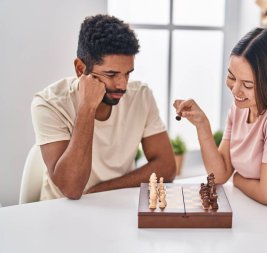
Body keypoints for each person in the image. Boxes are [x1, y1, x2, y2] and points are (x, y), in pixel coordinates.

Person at [173, 27, 267, 221]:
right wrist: (202, 125)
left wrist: (238, 179)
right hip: (259, 217)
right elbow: (219, 174)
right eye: (232, 77)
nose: (236, 90)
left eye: (248, 85)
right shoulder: (240, 109)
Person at [31, 14, 176, 201]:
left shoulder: (140, 95)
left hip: (115, 205)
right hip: (60, 211)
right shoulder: (49, 104)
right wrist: (87, 108)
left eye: (127, 73)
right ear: (80, 69)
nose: (122, 85)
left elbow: (167, 167)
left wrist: (103, 190)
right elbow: (72, 189)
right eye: (111, 74)